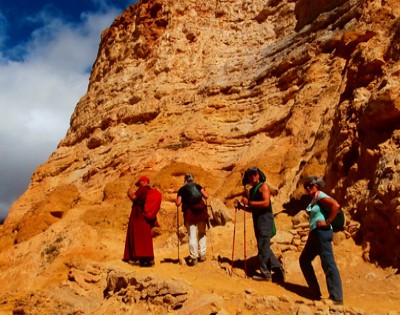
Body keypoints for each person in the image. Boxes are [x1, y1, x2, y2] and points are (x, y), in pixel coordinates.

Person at [235, 167, 285, 282]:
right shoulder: (252, 191)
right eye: (250, 175)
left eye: (254, 174)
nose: (252, 177)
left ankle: (266, 274)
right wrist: (242, 207)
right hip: (257, 222)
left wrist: (249, 202)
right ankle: (278, 269)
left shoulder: (264, 187)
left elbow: (266, 203)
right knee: (264, 247)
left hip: (265, 221)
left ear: (258, 175)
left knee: (263, 247)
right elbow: (253, 209)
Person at [300, 176, 343, 304]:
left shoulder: (319, 195)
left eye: (310, 185)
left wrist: (327, 222)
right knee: (304, 260)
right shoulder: (314, 200)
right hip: (315, 233)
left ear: (316, 186)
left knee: (328, 263)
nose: (308, 188)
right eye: (305, 186)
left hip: (322, 232)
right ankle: (314, 292)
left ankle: (336, 297)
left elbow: (336, 205)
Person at [176, 173, 209, 266]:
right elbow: (206, 196)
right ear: (192, 179)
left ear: (185, 180)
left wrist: (177, 200)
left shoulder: (182, 190)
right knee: (202, 233)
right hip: (201, 212)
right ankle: (202, 254)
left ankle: (194, 257)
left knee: (192, 236)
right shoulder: (198, 186)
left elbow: (178, 203)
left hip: (190, 214)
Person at [123, 175, 155, 267]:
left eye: (139, 183)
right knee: (146, 237)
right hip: (145, 216)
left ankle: (136, 258)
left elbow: (133, 198)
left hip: (137, 216)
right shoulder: (150, 191)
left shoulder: (142, 189)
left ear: (143, 182)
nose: (138, 185)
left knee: (137, 236)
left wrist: (129, 193)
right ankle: (148, 259)